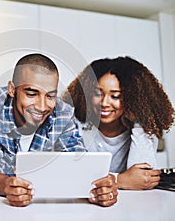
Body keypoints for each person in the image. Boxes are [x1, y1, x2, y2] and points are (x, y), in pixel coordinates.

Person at [0, 53, 118, 207]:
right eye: (31, 93)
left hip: (18, 186)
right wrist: (8, 186)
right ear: (12, 89)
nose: (42, 106)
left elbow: (78, 160)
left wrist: (99, 187)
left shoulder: (64, 114)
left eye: (50, 96)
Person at [62, 56, 175, 190]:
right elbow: (70, 176)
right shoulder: (74, 124)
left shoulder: (144, 128)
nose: (104, 103)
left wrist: (138, 123)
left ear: (133, 99)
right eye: (97, 94)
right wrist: (119, 180)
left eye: (115, 96)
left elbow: (142, 180)